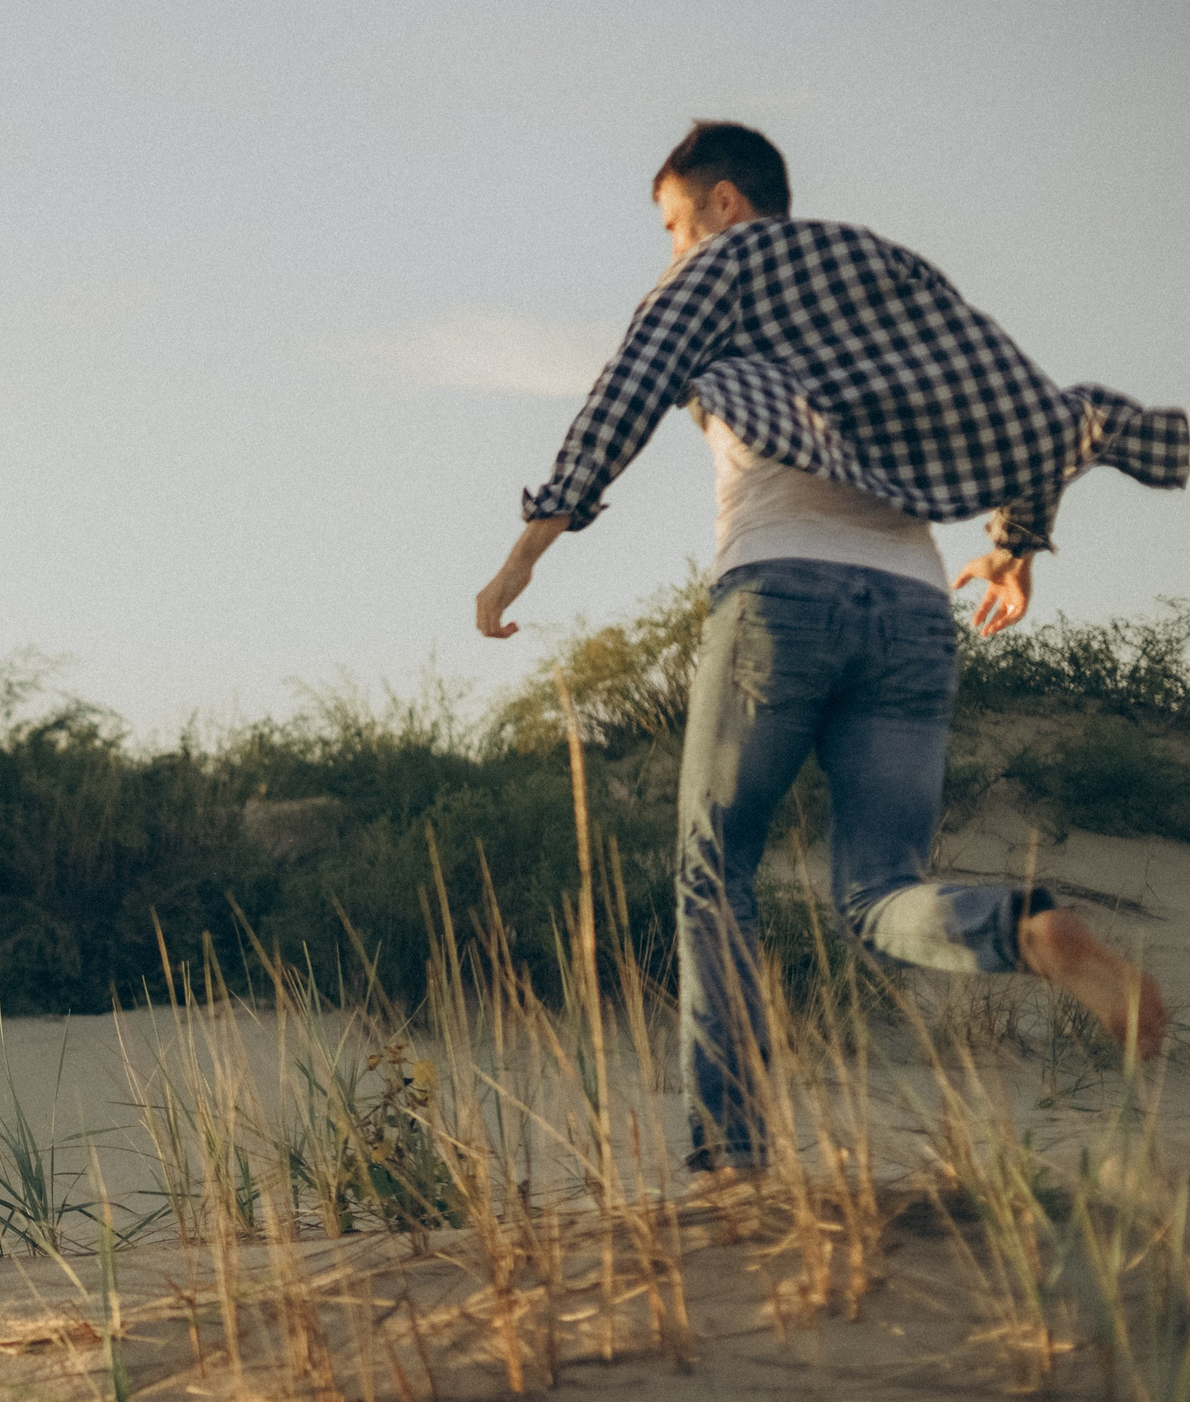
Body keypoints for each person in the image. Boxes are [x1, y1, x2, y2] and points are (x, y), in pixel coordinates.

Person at [476, 121, 1186, 1173]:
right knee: (878, 892)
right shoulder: (891, 280)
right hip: (910, 612)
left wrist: (527, 548)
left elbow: (624, 392)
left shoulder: (718, 268)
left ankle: (732, 1156)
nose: (672, 248)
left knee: (714, 873)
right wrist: (1014, 546)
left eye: (675, 223)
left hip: (780, 594)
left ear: (723, 202)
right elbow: (1020, 412)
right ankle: (1025, 930)